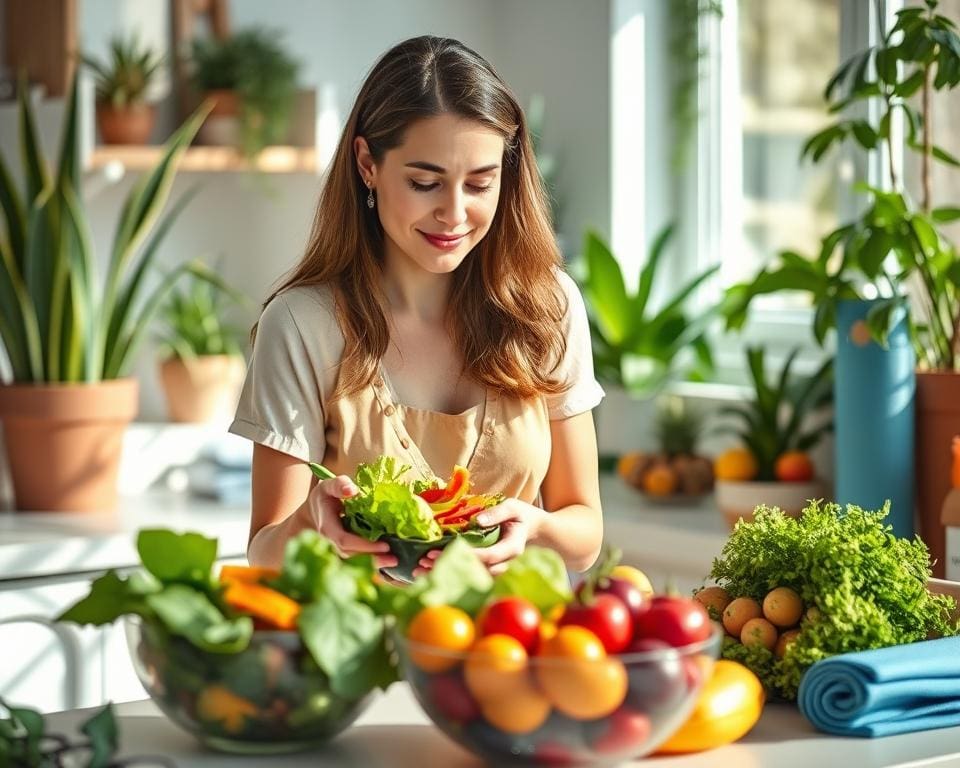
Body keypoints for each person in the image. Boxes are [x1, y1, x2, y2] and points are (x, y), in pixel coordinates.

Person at [229, 35, 604, 578]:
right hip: (366, 653)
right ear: (367, 164)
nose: (454, 213)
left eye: (480, 183)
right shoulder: (301, 325)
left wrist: (537, 528)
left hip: (509, 648)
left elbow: (584, 532)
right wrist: (311, 521)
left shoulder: (547, 307)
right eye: (425, 182)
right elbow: (264, 554)